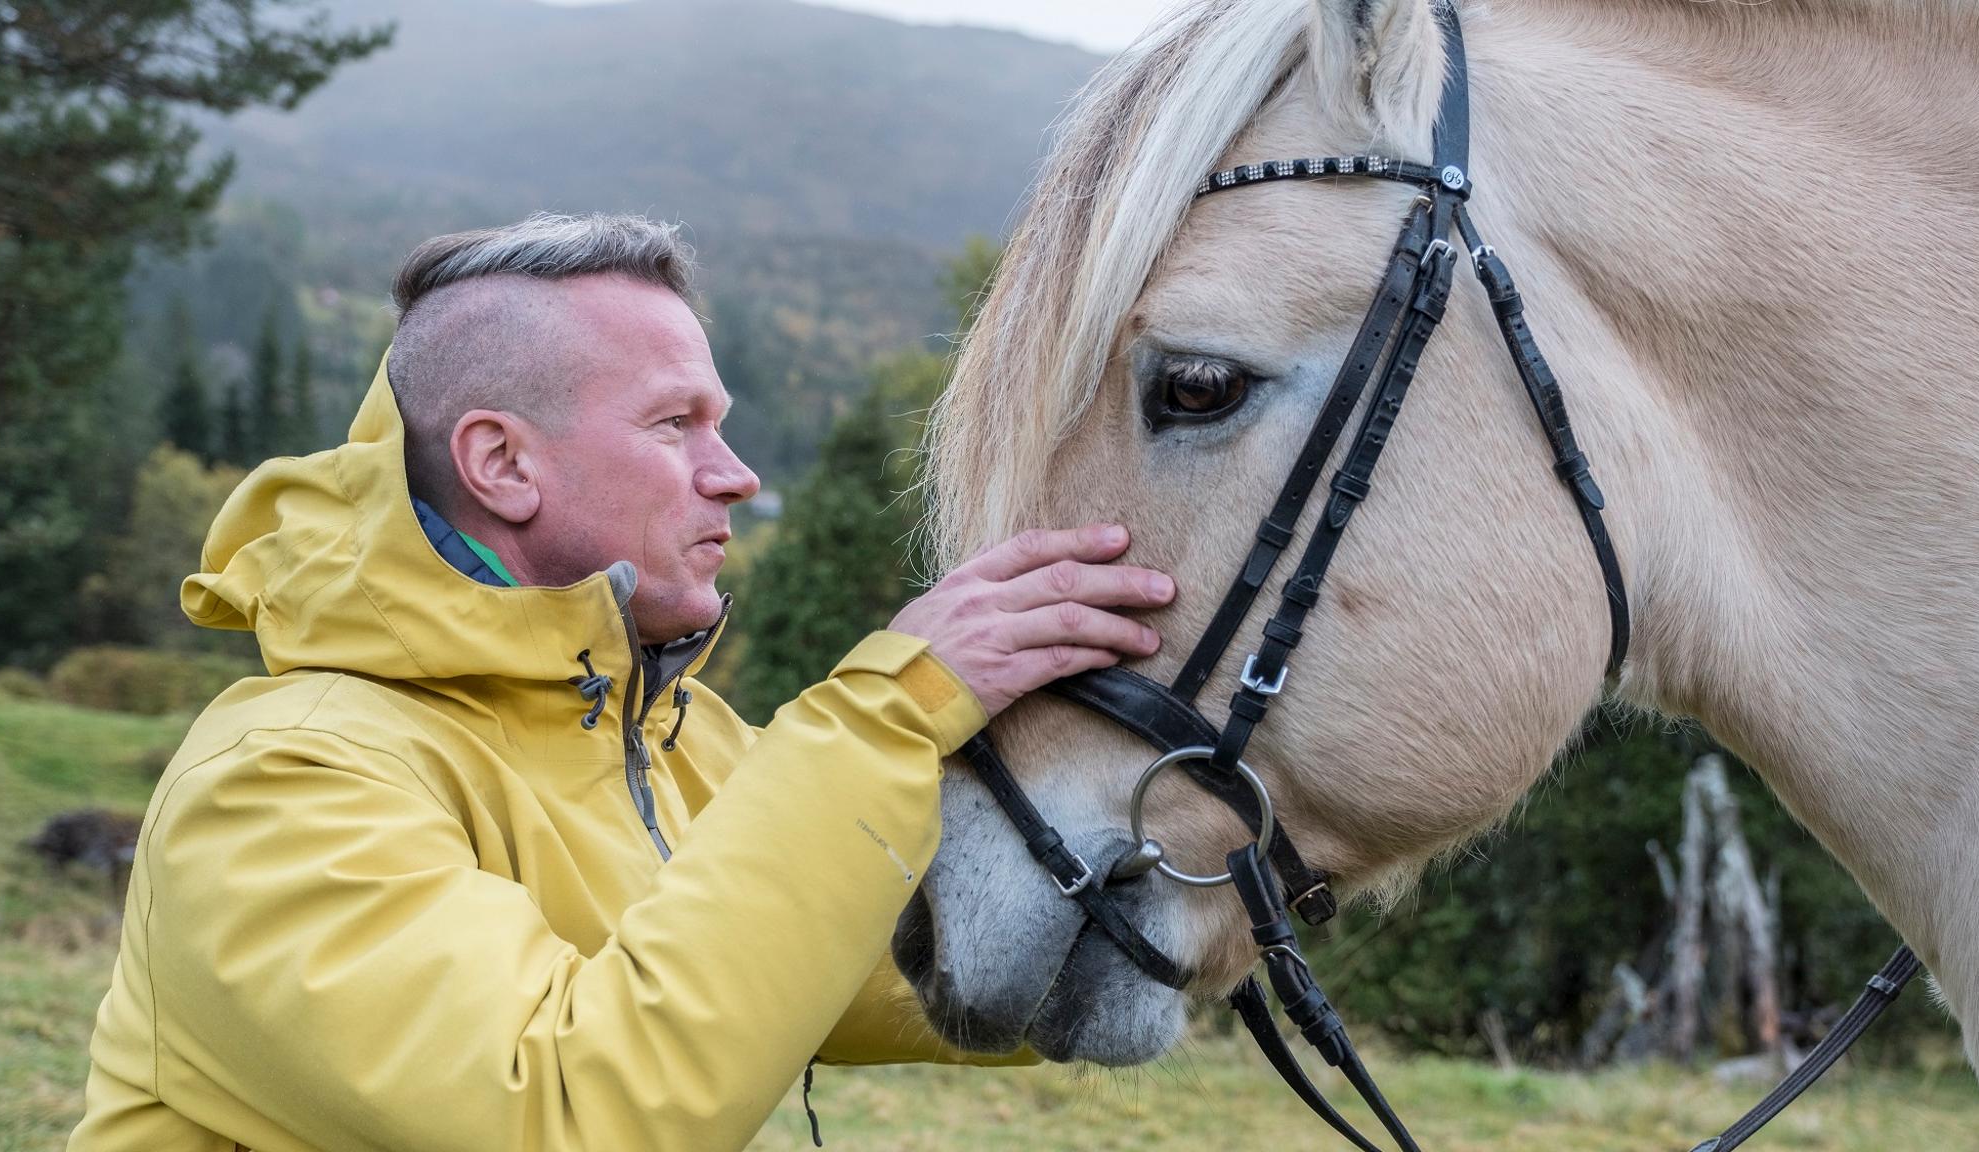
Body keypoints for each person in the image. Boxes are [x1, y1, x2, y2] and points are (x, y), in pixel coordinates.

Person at [68, 212, 1176, 1151]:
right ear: (501, 464)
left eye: (723, 425)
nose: (733, 474)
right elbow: (573, 1105)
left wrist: (1201, 868)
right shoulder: (281, 780)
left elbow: (890, 961)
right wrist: (893, 708)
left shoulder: (674, 742)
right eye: (673, 424)